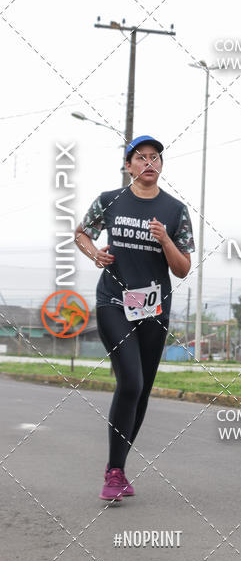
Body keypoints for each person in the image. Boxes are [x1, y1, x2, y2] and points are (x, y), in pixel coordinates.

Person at [75, 136, 195, 501]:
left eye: (154, 157)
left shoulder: (175, 210)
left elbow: (183, 268)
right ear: (128, 166)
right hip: (114, 301)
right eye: (140, 158)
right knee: (130, 381)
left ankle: (120, 468)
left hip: (154, 309)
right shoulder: (110, 199)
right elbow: (81, 233)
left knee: (141, 391)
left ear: (161, 165)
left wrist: (165, 241)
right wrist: (95, 253)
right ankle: (113, 472)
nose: (148, 163)